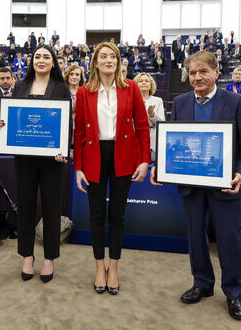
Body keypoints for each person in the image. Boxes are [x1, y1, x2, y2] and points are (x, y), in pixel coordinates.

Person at [151, 51, 241, 320]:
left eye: (203, 72)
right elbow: (174, 142)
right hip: (191, 186)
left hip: (225, 186)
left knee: (229, 239)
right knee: (195, 236)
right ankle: (202, 283)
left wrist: (240, 174)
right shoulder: (182, 102)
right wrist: (159, 166)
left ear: (215, 72)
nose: (197, 77)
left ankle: (234, 294)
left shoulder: (235, 102)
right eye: (193, 73)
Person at [74, 42, 150, 295]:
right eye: (103, 56)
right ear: (95, 62)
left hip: (124, 156)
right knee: (96, 216)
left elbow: (141, 126)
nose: (109, 60)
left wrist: (144, 160)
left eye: (113, 57)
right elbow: (79, 132)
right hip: (94, 156)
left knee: (117, 215)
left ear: (118, 62)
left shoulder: (131, 89)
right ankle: (99, 267)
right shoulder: (85, 92)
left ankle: (114, 268)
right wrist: (78, 167)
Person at [0, 46, 70, 283]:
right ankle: (27, 256)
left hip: (52, 161)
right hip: (24, 158)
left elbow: (66, 124)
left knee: (51, 208)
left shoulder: (61, 88)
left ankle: (49, 258)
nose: (42, 60)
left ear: (53, 62)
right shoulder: (21, 87)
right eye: (37, 56)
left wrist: (63, 150)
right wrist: (0, 123)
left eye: (47, 56)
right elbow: (14, 118)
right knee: (25, 206)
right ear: (32, 61)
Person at [134, 72, 165, 153]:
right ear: (136, 84)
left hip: (152, 140)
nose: (144, 82)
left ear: (151, 85)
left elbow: (162, 123)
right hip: (135, 138)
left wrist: (152, 114)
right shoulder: (132, 100)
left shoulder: (158, 100)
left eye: (147, 81)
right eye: (140, 81)